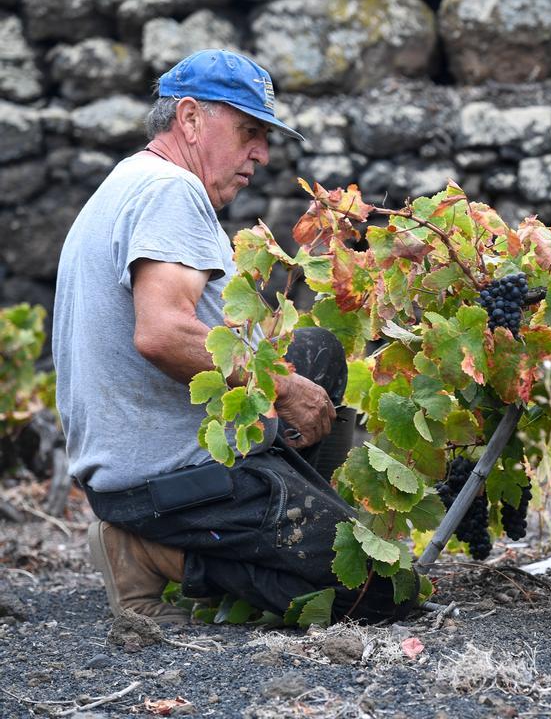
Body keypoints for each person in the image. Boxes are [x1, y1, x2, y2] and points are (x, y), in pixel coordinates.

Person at [52, 49, 417, 624]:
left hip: (138, 463)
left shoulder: (131, 179)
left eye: (265, 137)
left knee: (316, 353)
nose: (262, 154)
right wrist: (281, 386)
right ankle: (151, 554)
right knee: (381, 589)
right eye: (249, 132)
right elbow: (163, 333)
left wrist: (287, 375)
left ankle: (284, 524)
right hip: (171, 481)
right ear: (190, 118)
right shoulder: (171, 192)